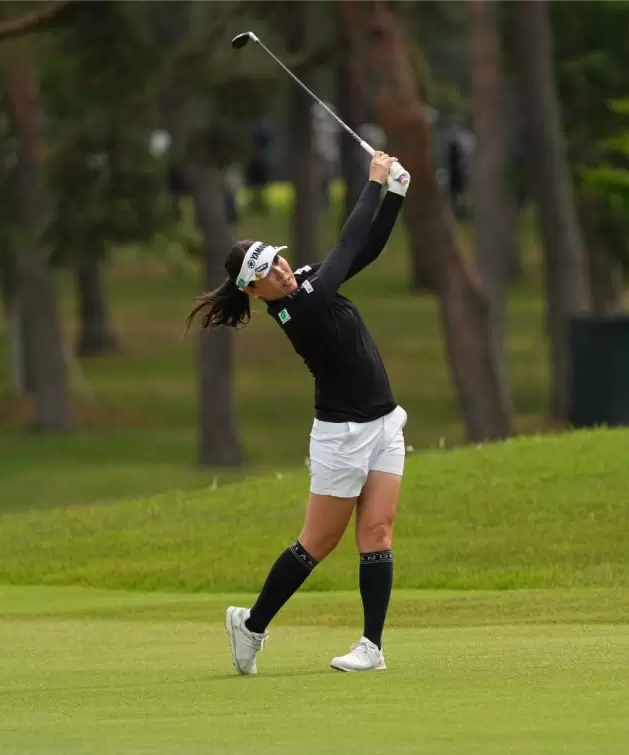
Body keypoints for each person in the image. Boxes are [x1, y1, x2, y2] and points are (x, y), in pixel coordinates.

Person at [186, 151, 411, 675]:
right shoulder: (296, 309)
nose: (282, 271)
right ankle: (252, 625)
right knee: (318, 543)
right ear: (252, 290)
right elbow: (349, 241)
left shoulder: (306, 282)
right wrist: (373, 182)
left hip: (384, 422)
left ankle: (371, 647)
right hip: (341, 435)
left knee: (378, 534)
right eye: (267, 272)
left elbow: (366, 250)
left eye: (279, 260)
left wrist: (395, 194)